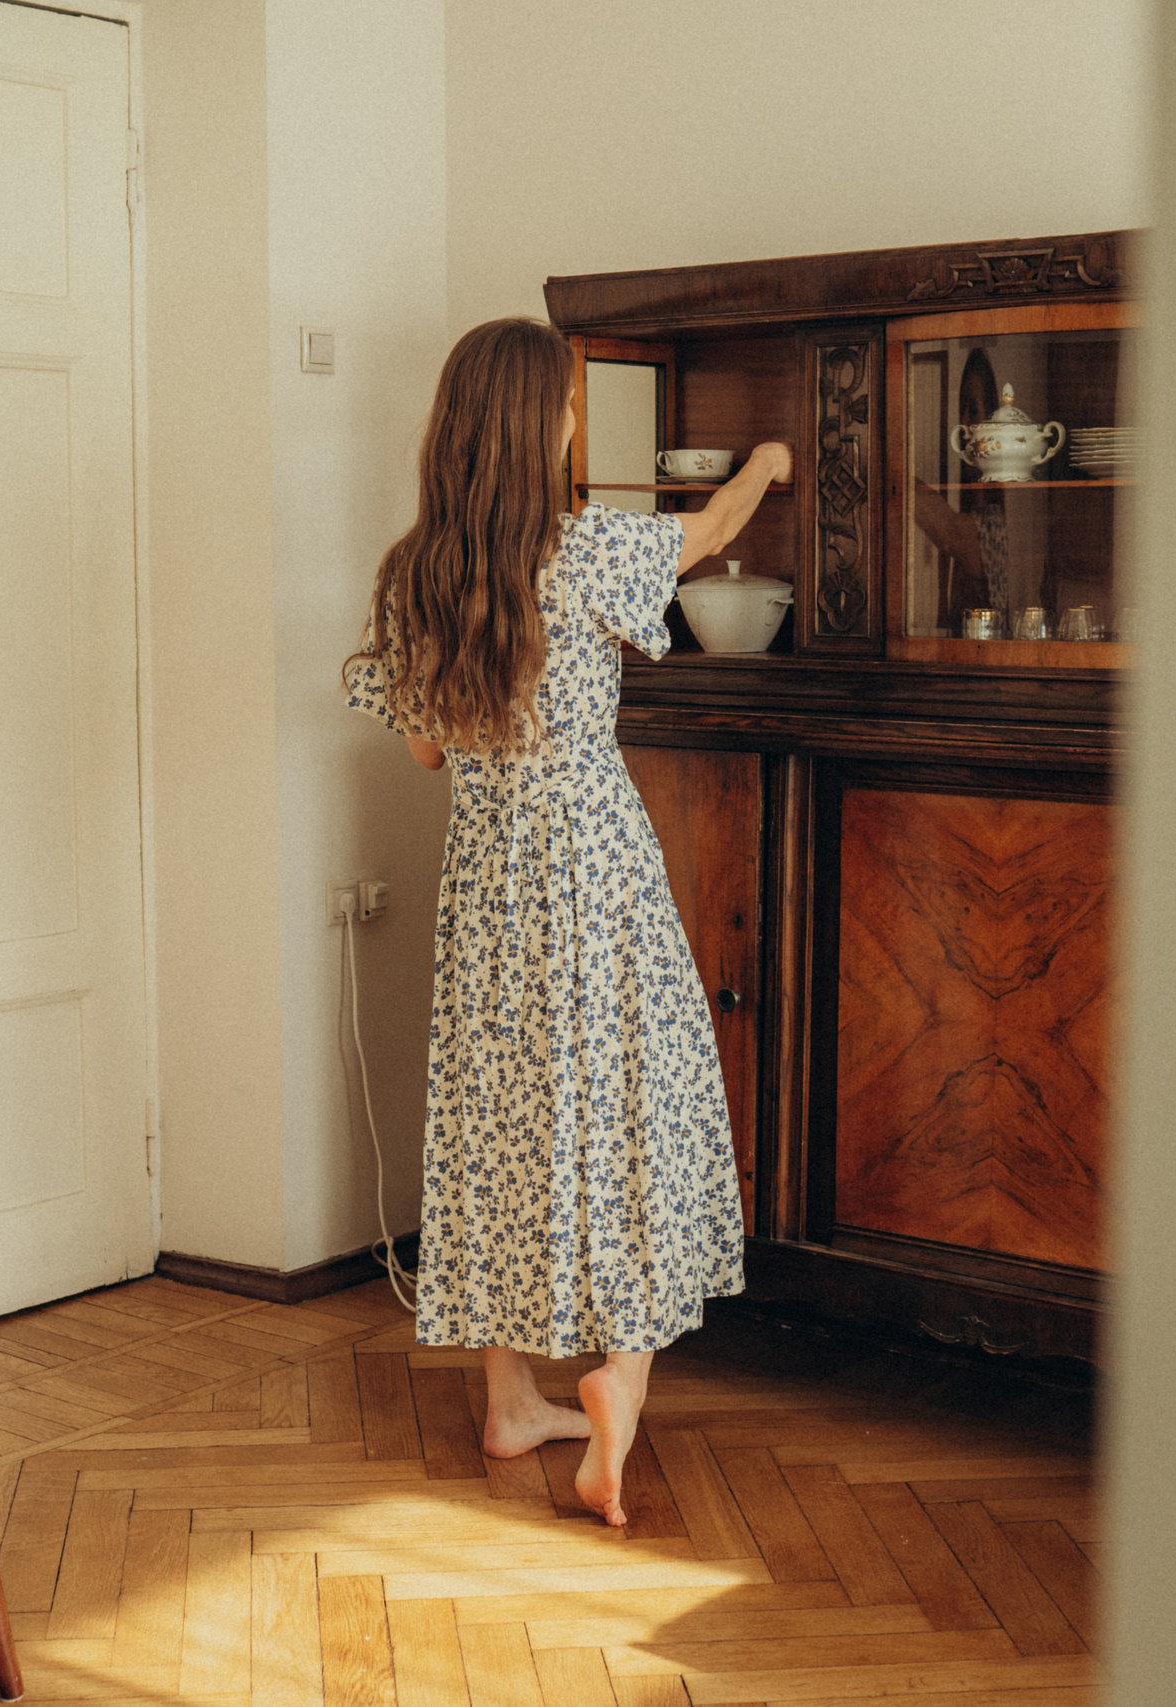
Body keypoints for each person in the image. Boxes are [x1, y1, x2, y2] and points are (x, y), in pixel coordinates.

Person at [343, 316, 789, 1525]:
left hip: (485, 878)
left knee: (500, 1122)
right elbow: (711, 530)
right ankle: (617, 1385)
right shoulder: (587, 546)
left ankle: (509, 1404)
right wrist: (764, 462)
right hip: (592, 864)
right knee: (637, 1106)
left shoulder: (413, 573)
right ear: (543, 425)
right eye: (570, 403)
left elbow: (426, 751)